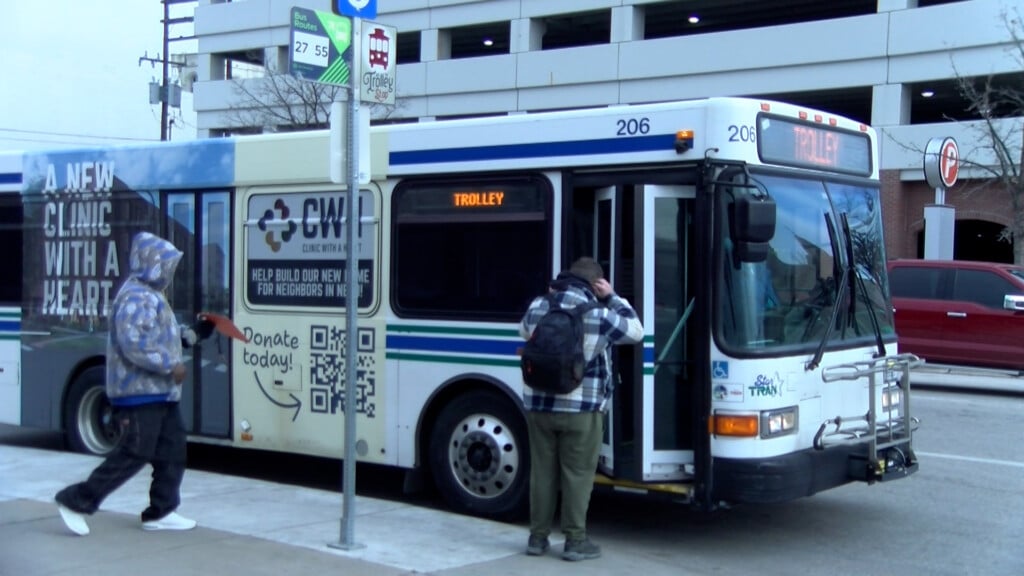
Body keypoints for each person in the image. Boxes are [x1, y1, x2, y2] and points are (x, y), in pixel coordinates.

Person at [55, 231, 212, 536]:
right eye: (165, 265)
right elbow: (134, 343)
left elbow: (159, 335)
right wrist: (171, 366)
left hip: (159, 393)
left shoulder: (150, 294)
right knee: (135, 451)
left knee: (172, 449)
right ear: (150, 263)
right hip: (138, 393)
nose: (169, 272)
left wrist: (194, 333)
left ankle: (161, 511)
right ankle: (75, 501)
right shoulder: (136, 296)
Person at [519, 257, 643, 561]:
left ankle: (537, 538)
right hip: (582, 409)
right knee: (576, 474)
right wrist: (613, 297)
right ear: (595, 284)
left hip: (538, 405)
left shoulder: (539, 305)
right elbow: (636, 331)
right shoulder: (598, 313)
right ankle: (575, 541)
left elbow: (524, 333)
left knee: (542, 473)